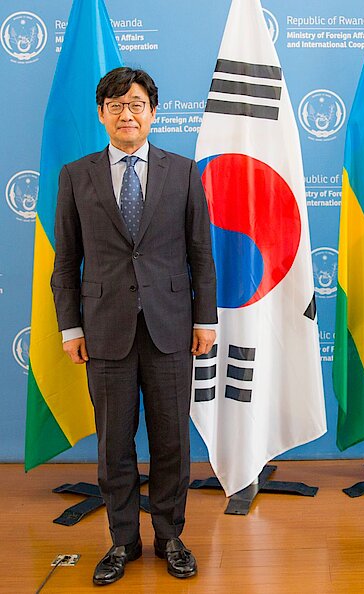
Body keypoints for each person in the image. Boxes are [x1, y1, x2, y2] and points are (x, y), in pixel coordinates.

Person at [51, 67, 217, 585]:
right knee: (113, 445)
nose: (127, 114)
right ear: (102, 114)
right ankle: (123, 541)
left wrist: (205, 319)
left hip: (171, 328)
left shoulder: (183, 172)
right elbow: (66, 260)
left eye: (137, 104)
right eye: (116, 105)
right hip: (104, 330)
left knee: (172, 442)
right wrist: (70, 328)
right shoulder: (76, 175)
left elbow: (201, 255)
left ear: (153, 112)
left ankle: (170, 537)